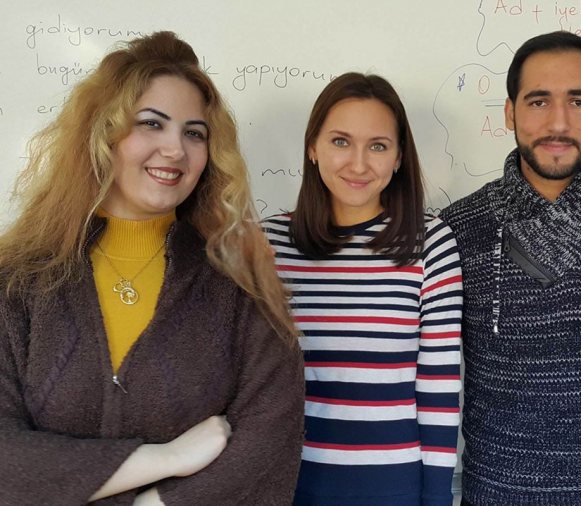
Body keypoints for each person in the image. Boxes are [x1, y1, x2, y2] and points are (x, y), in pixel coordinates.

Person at [0, 32, 305, 505]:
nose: (175, 150)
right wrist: (164, 459)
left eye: (193, 133)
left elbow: (269, 436)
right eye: (151, 124)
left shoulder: (240, 281)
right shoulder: (20, 280)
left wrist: (156, 503)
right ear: (105, 136)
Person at [441, 31, 581, 505]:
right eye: (538, 101)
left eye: (579, 101)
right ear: (510, 112)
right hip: (498, 491)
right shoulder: (459, 226)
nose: (558, 122)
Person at [263, 72, 462, 506]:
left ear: (398, 158)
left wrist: (435, 497)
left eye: (377, 146)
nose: (358, 164)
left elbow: (438, 386)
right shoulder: (267, 244)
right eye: (340, 141)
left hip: (393, 486)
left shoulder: (431, 242)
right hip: (283, 482)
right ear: (312, 147)